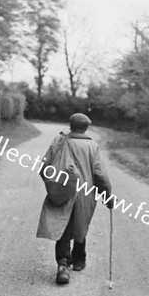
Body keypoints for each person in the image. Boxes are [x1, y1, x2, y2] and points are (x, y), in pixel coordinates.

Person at [36, 113, 113, 285]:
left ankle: (63, 264)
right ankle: (79, 260)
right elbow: (99, 174)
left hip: (63, 191)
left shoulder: (59, 141)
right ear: (86, 128)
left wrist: (56, 185)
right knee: (81, 223)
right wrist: (107, 195)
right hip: (85, 194)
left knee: (63, 225)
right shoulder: (92, 146)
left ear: (70, 126)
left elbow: (44, 167)